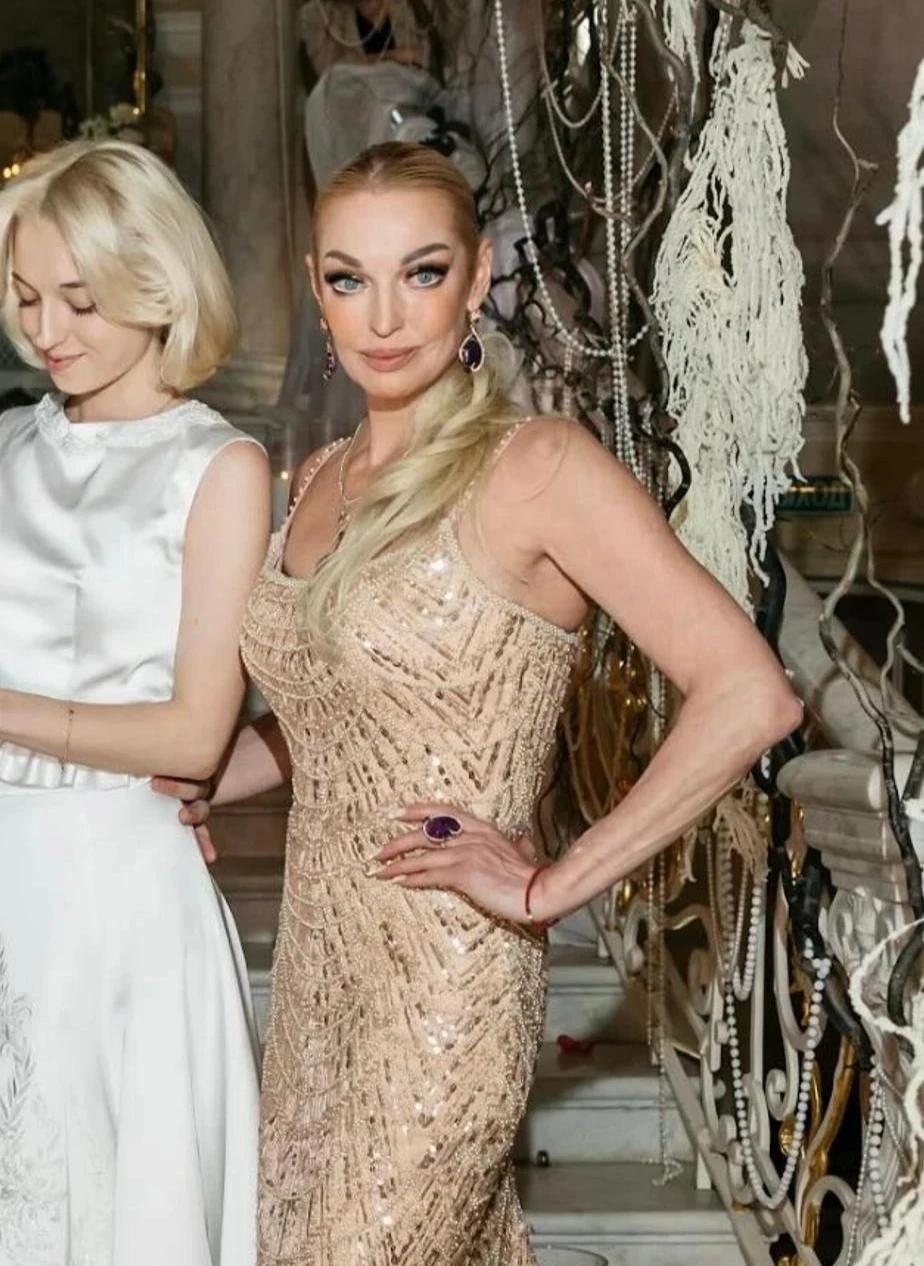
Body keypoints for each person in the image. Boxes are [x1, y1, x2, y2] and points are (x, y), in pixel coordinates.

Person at [221, 141, 803, 1263]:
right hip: (316, 974)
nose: (384, 315)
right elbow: (325, 722)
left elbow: (750, 695)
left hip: (450, 979)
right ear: (315, 291)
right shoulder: (319, 476)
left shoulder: (536, 466)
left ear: (479, 276)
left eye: (423, 272)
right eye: (348, 278)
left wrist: (550, 886)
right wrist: (186, 782)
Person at [0, 138, 265, 1266]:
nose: (46, 330)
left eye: (80, 300)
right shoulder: (4, 442)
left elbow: (198, 732)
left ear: (159, 285)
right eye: (27, 297)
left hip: (123, 875)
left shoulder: (218, 468)